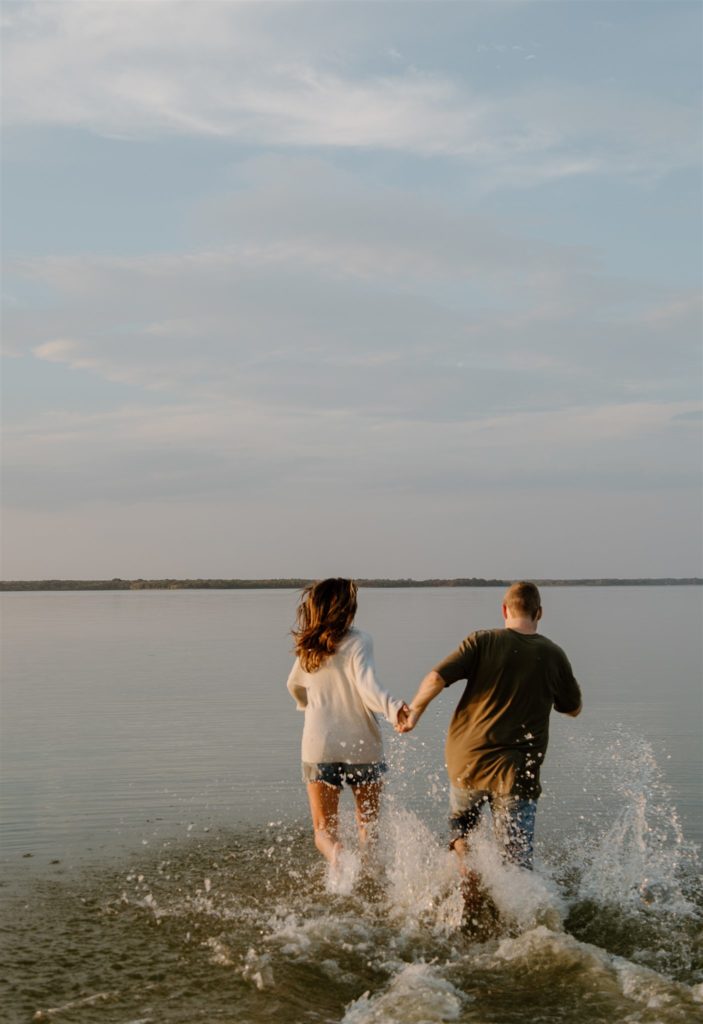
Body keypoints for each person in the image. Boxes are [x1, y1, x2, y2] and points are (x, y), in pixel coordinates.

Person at [398, 581, 582, 873]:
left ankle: (467, 875)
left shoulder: (481, 641)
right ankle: (518, 910)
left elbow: (435, 679)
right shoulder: (553, 654)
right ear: (540, 613)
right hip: (516, 772)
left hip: (467, 762)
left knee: (462, 832)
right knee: (516, 863)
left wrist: (414, 713)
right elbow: (573, 708)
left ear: (504, 610)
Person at [287, 578, 409, 868]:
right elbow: (368, 688)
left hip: (320, 746)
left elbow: (293, 684)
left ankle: (338, 858)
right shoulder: (360, 640)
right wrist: (395, 709)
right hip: (361, 744)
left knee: (324, 833)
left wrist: (307, 705)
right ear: (348, 609)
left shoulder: (308, 646)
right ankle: (367, 877)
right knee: (368, 826)